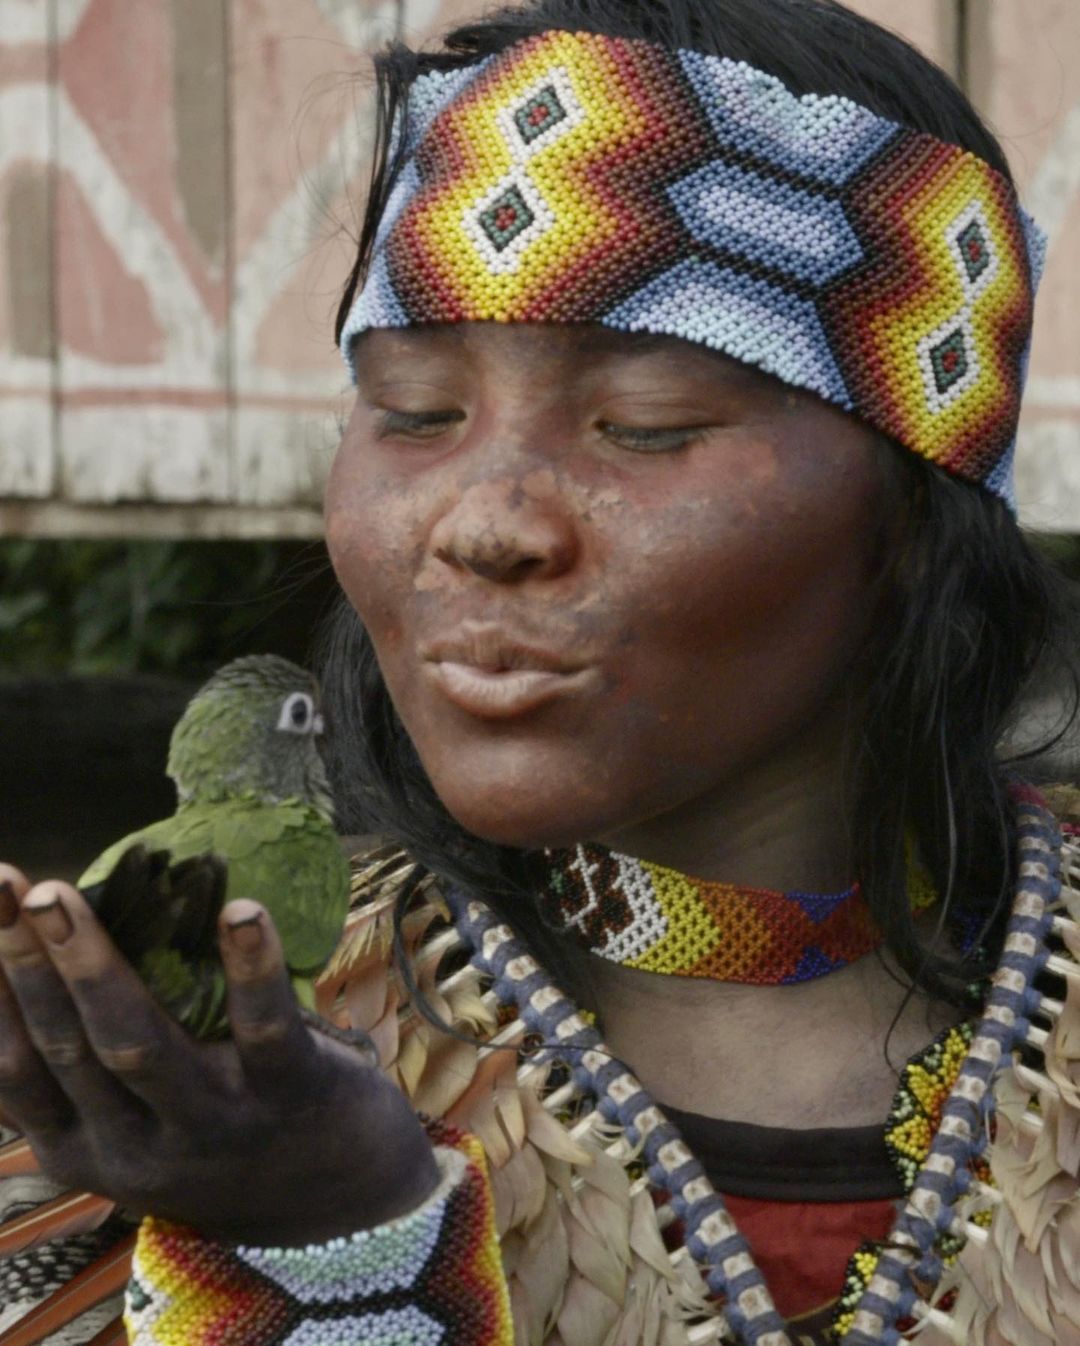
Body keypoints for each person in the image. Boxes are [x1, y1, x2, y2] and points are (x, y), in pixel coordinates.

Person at [0, 1, 1077, 1343]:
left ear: (916, 514)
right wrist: (324, 1244)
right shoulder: (180, 1080)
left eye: (645, 424)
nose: (484, 520)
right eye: (413, 412)